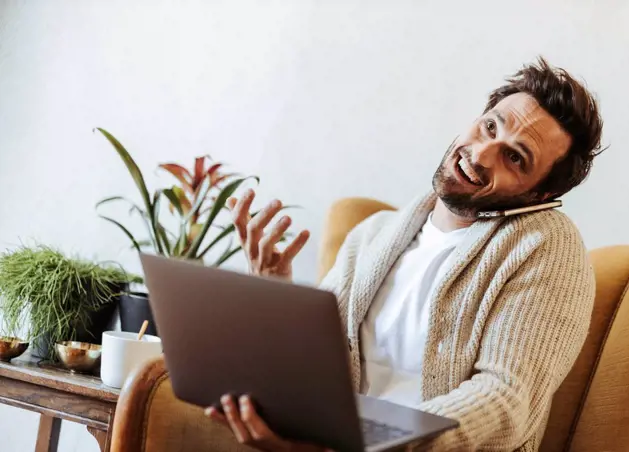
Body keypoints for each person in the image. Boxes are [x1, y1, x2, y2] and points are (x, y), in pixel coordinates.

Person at [204, 56, 604, 451]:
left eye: (515, 157)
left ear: (540, 195)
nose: (481, 155)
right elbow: (317, 373)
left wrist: (360, 443)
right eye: (489, 127)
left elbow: (506, 400)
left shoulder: (549, 246)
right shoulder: (373, 235)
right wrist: (274, 293)